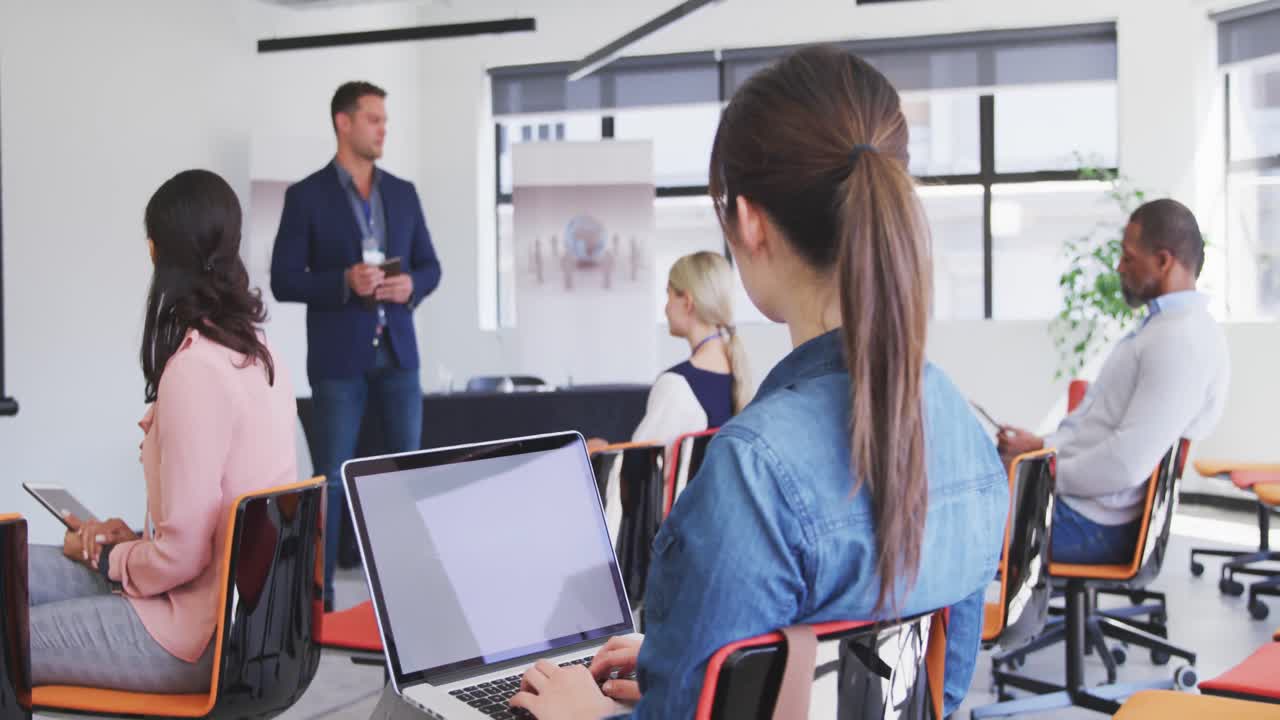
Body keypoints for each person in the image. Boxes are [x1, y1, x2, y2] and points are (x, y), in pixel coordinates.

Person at [508, 46, 1009, 719]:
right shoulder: (957, 421)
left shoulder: (754, 469)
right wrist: (677, 655)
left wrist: (591, 714)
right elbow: (933, 696)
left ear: (748, 221)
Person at [28, 170, 297, 692]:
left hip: (195, 633)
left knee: (11, 637)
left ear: (155, 252)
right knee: (16, 569)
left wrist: (113, 558)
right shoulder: (260, 355)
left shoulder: (195, 370)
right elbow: (197, 534)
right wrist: (133, 544)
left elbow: (182, 557)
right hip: (236, 619)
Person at [270, 81, 442, 608]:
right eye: (373, 119)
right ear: (343, 123)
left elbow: (431, 267)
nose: (383, 128)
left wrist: (411, 285)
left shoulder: (403, 192)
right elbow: (282, 280)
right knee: (334, 480)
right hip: (338, 361)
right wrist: (342, 281)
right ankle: (320, 596)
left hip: (398, 355)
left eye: (384, 119)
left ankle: (402, 593)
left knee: (402, 476)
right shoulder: (306, 196)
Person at [998, 198, 1229, 565]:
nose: (1119, 267)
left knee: (954, 529)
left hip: (1094, 523)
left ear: (1163, 261)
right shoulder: (1162, 330)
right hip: (1084, 506)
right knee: (961, 504)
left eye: (1128, 257)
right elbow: (1097, 427)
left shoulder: (1181, 342)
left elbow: (1124, 464)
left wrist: (1044, 470)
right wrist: (1041, 446)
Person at [590, 251, 753, 535]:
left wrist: (601, 455)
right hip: (720, 533)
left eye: (668, 296)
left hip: (675, 545)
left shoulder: (677, 386)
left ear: (687, 301)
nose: (665, 308)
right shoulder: (740, 377)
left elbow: (636, 483)